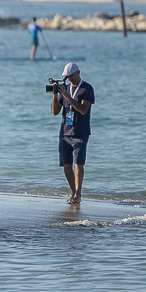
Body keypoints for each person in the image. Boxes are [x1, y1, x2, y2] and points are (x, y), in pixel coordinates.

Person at [51, 62, 94, 204]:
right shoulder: (65, 89)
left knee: (78, 164)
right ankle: (73, 192)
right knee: (66, 165)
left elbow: (82, 110)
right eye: (67, 76)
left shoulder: (87, 88)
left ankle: (78, 194)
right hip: (64, 133)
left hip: (80, 133)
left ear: (78, 73)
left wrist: (66, 95)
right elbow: (55, 112)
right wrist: (55, 95)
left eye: (71, 76)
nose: (69, 79)